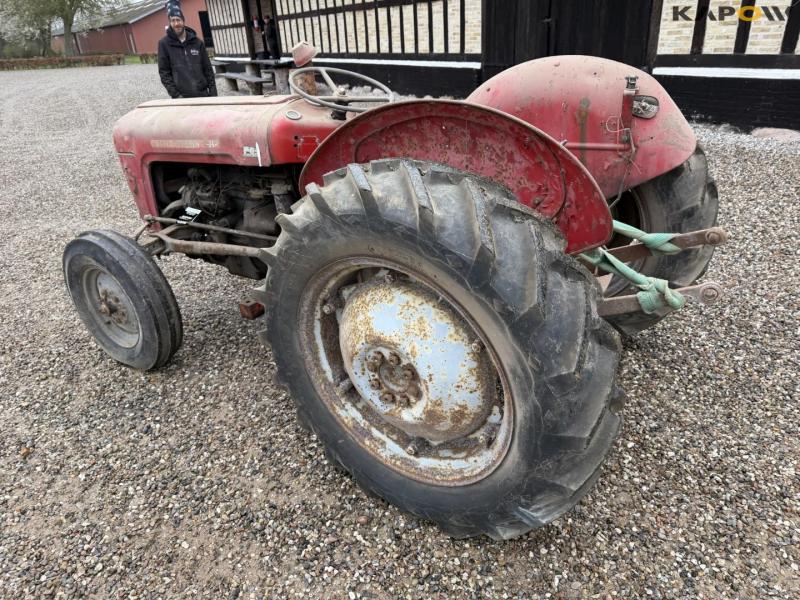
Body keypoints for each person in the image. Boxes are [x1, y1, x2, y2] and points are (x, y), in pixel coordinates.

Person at [157, 5, 217, 98]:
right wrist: (176, 95)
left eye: (178, 20)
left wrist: (213, 93)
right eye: (173, 20)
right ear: (170, 23)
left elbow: (208, 69)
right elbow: (164, 73)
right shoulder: (164, 44)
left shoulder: (197, 42)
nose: (176, 23)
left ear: (183, 21)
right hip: (181, 97)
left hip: (202, 94)